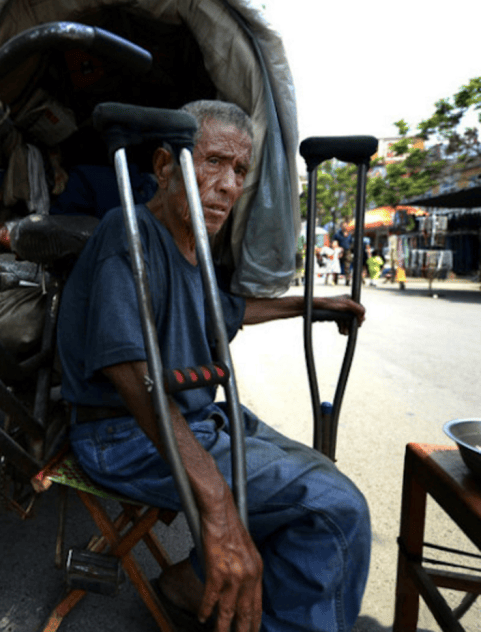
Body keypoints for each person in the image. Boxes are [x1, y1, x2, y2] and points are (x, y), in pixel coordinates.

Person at [56, 100, 370, 632]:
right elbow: (128, 371)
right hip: (122, 435)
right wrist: (217, 505)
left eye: (240, 170)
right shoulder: (126, 231)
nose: (228, 185)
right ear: (163, 167)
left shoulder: (191, 250)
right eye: (214, 162)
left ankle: (191, 581)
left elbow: (230, 311)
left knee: (321, 476)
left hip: (198, 415)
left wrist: (312, 306)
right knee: (333, 510)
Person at [333, 221, 353, 285]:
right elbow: (334, 243)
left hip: (347, 251)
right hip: (339, 251)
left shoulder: (349, 235)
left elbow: (351, 243)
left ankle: (347, 280)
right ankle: (335, 280)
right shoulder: (337, 234)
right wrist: (338, 248)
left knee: (347, 265)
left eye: (346, 226)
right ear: (341, 226)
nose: (345, 227)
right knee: (336, 265)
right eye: (343, 226)